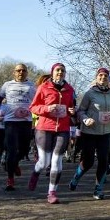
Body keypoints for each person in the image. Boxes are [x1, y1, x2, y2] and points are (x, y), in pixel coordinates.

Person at [29, 63, 76, 204]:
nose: (60, 73)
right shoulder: (43, 88)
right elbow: (33, 107)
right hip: (44, 128)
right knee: (44, 162)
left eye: (62, 71)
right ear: (52, 72)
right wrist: (47, 108)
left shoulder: (69, 89)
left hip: (62, 129)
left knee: (56, 161)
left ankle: (52, 192)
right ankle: (36, 172)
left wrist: (72, 111)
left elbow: (72, 107)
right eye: (57, 70)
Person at [69, 68, 110, 200]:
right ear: (97, 78)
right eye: (100, 75)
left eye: (105, 76)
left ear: (108, 79)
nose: (103, 78)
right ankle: (76, 177)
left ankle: (98, 189)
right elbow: (81, 111)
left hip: (106, 132)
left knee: (103, 160)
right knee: (88, 161)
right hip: (89, 132)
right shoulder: (90, 93)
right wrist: (85, 119)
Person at [0, 64, 37, 191]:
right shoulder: (7, 85)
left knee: (24, 150)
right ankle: (10, 179)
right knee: (11, 151)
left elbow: (38, 101)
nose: (21, 72)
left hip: (26, 121)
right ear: (14, 72)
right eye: (18, 70)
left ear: (27, 73)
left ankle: (15, 163)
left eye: (24, 70)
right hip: (11, 121)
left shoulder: (32, 86)